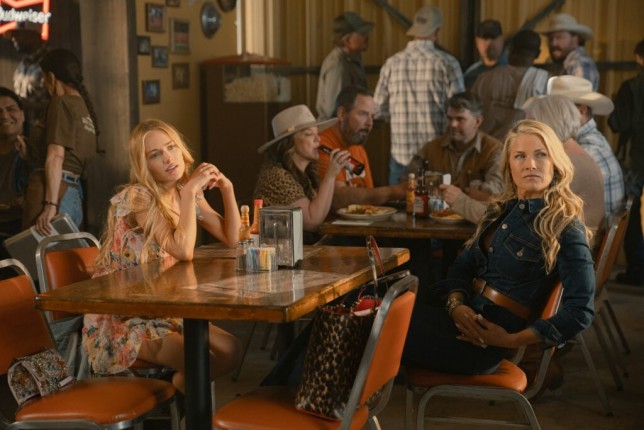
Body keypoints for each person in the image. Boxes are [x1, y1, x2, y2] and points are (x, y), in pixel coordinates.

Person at [403, 119, 595, 376]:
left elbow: (580, 311)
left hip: (484, 345)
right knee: (372, 308)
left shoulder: (566, 227)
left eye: (541, 154)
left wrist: (510, 341)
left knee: (378, 326)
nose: (530, 164)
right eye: (520, 156)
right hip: (457, 317)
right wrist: (455, 304)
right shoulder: (500, 211)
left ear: (555, 163)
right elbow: (462, 267)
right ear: (509, 167)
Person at [82, 119, 242, 393]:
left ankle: (178, 393)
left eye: (171, 147)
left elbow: (232, 239)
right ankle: (182, 402)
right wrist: (191, 191)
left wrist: (227, 189)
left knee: (232, 349)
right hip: (125, 316)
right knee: (199, 361)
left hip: (164, 305)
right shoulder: (138, 197)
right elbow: (182, 250)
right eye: (155, 154)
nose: (168, 158)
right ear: (144, 165)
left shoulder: (183, 192)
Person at [374, 4, 464, 185]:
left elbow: (378, 112)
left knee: (398, 203)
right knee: (438, 203)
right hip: (436, 156)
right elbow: (460, 110)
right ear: (437, 31)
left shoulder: (391, 64)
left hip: (401, 157)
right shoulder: (448, 63)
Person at [22, 48, 99, 235]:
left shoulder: (60, 102)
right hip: (73, 192)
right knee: (64, 252)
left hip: (53, 193)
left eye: (43, 77)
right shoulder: (83, 106)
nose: (43, 83)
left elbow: (56, 155)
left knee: (36, 252)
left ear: (51, 77)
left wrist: (50, 205)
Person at [254, 104, 351, 241]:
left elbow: (321, 215)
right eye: (309, 134)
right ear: (290, 143)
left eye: (317, 133)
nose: (318, 139)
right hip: (278, 252)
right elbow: (312, 221)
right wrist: (330, 175)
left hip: (303, 248)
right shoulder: (277, 175)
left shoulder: (305, 173)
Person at [407, 92, 503, 222]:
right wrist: (471, 190)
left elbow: (495, 195)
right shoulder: (431, 148)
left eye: (460, 119)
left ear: (477, 121)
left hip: (477, 225)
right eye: (449, 118)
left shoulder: (494, 150)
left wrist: (452, 192)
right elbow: (409, 182)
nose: (452, 124)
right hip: (435, 223)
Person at [523, 94, 605, 236]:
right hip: (576, 240)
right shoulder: (578, 154)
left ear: (547, 126)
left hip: (563, 245)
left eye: (530, 127)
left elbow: (526, 214)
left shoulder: (560, 163)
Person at [317, 86, 406, 210]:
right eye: (363, 114)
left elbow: (369, 200)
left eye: (372, 116)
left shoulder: (358, 148)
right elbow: (336, 198)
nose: (369, 123)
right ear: (342, 114)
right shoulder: (321, 145)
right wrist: (394, 192)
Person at [547, 75, 625, 217]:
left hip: (592, 228)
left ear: (582, 111)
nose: (550, 116)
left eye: (558, 110)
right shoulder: (591, 140)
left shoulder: (586, 151)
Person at [608, 38, 644, 286]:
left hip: (634, 157)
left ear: (638, 58)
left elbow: (617, 124)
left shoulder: (630, 87)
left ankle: (637, 270)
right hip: (634, 156)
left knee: (628, 212)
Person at [471, 29, 549, 141]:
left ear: (510, 49)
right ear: (538, 54)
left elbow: (470, 115)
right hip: (523, 149)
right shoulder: (545, 82)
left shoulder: (484, 79)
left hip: (486, 147)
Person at [315, 12, 373, 121]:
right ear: (346, 40)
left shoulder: (352, 59)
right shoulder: (337, 65)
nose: (366, 36)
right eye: (361, 33)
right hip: (335, 128)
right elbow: (333, 109)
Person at [0, 88, 31, 250]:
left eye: (10, 109)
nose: (4, 116)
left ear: (22, 115)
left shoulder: (36, 149)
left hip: (22, 229)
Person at [5, 22, 49, 132]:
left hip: (44, 134)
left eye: (18, 34)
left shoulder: (51, 63)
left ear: (33, 35)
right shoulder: (22, 65)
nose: (14, 39)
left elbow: (60, 106)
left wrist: (22, 104)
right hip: (25, 134)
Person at [541, 13, 599, 90]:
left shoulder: (579, 63)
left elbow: (581, 97)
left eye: (559, 37)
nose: (553, 43)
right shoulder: (564, 63)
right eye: (551, 39)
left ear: (575, 39)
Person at [463, 19, 509, 89]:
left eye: (493, 38)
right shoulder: (471, 75)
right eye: (485, 38)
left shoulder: (514, 70)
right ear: (477, 42)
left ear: (502, 40)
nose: (489, 43)